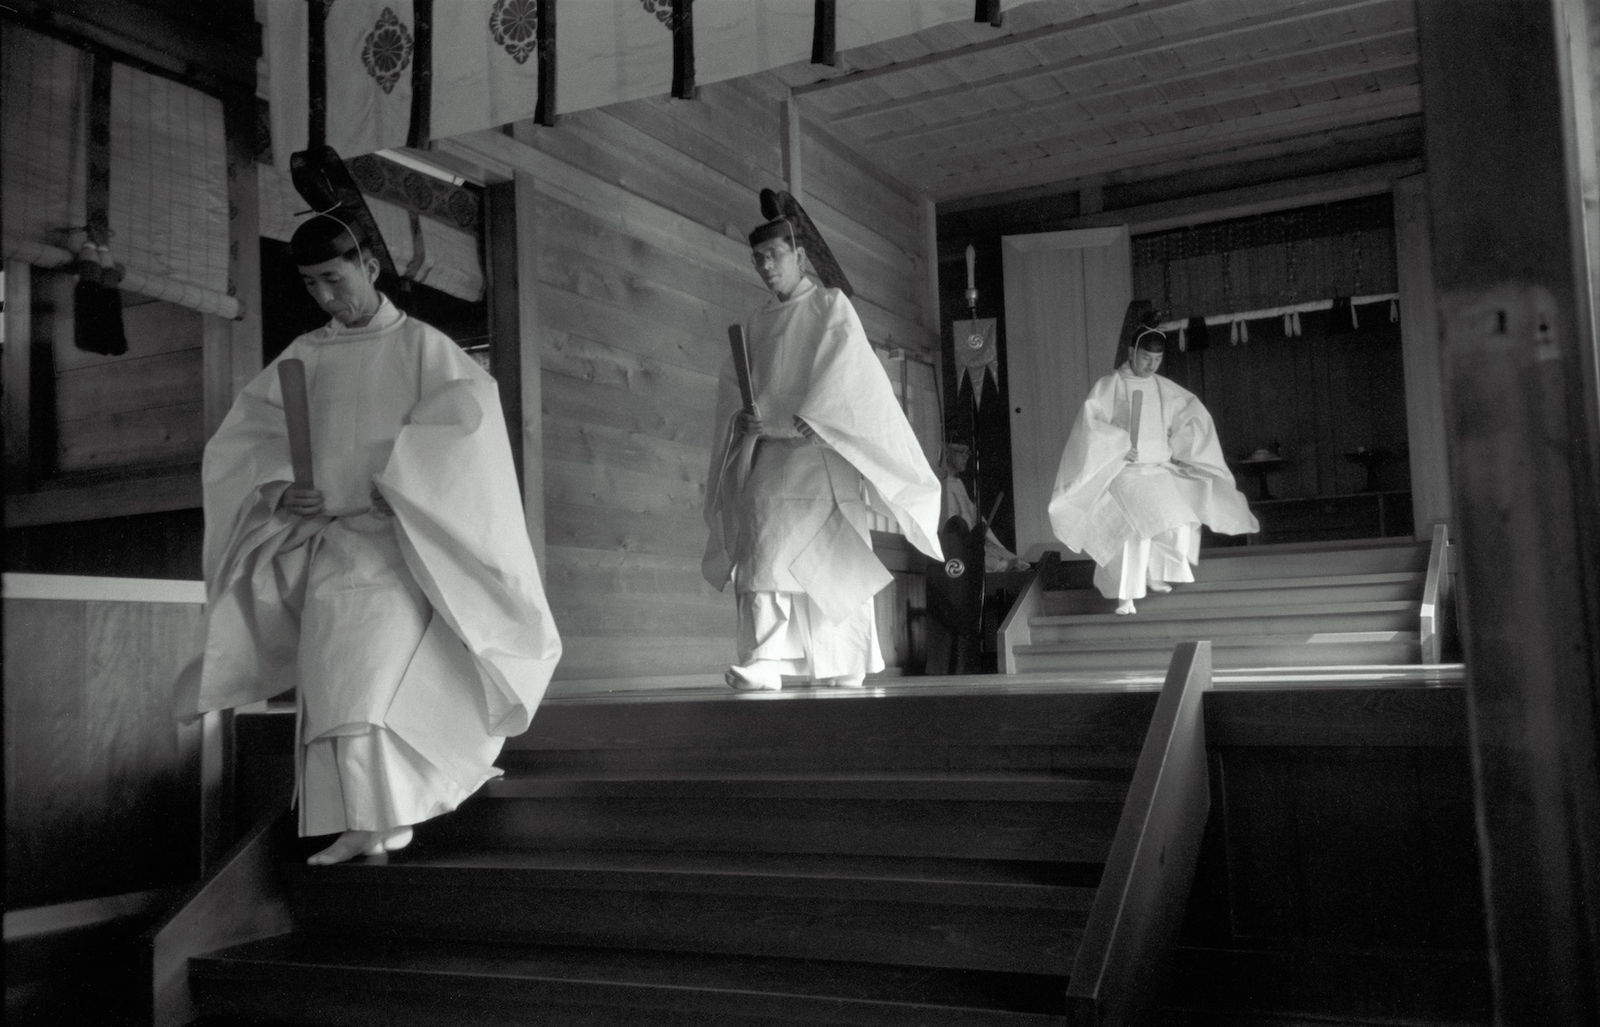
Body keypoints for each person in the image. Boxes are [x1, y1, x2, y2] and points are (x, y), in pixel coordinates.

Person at [192, 213, 561, 865]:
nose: (325, 297)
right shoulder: (306, 355)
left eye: (334, 279)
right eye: (310, 285)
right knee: (334, 683)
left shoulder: (424, 349)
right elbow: (247, 440)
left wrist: (405, 482)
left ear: (368, 266)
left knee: (373, 683)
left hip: (404, 548)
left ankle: (386, 818)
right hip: (334, 543)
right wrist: (283, 487)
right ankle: (365, 820)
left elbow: (467, 429)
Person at [703, 218, 943, 691]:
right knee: (764, 554)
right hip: (769, 459)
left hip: (821, 454)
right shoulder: (755, 323)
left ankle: (846, 659)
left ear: (800, 255)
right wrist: (745, 421)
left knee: (833, 561)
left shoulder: (832, 307)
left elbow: (850, 379)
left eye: (774, 254)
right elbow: (735, 389)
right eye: (757, 259)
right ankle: (767, 659)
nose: (766, 266)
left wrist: (801, 422)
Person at [1047, 319, 1258, 614]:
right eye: (1146, 357)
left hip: (1157, 470)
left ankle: (1157, 574)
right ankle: (1126, 597)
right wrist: (1119, 444)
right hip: (1126, 473)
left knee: (1181, 522)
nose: (1151, 365)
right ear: (1132, 352)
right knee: (1134, 534)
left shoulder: (1163, 387)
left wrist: (1181, 446)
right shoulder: (1111, 386)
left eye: (1157, 359)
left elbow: (1189, 416)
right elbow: (1091, 426)